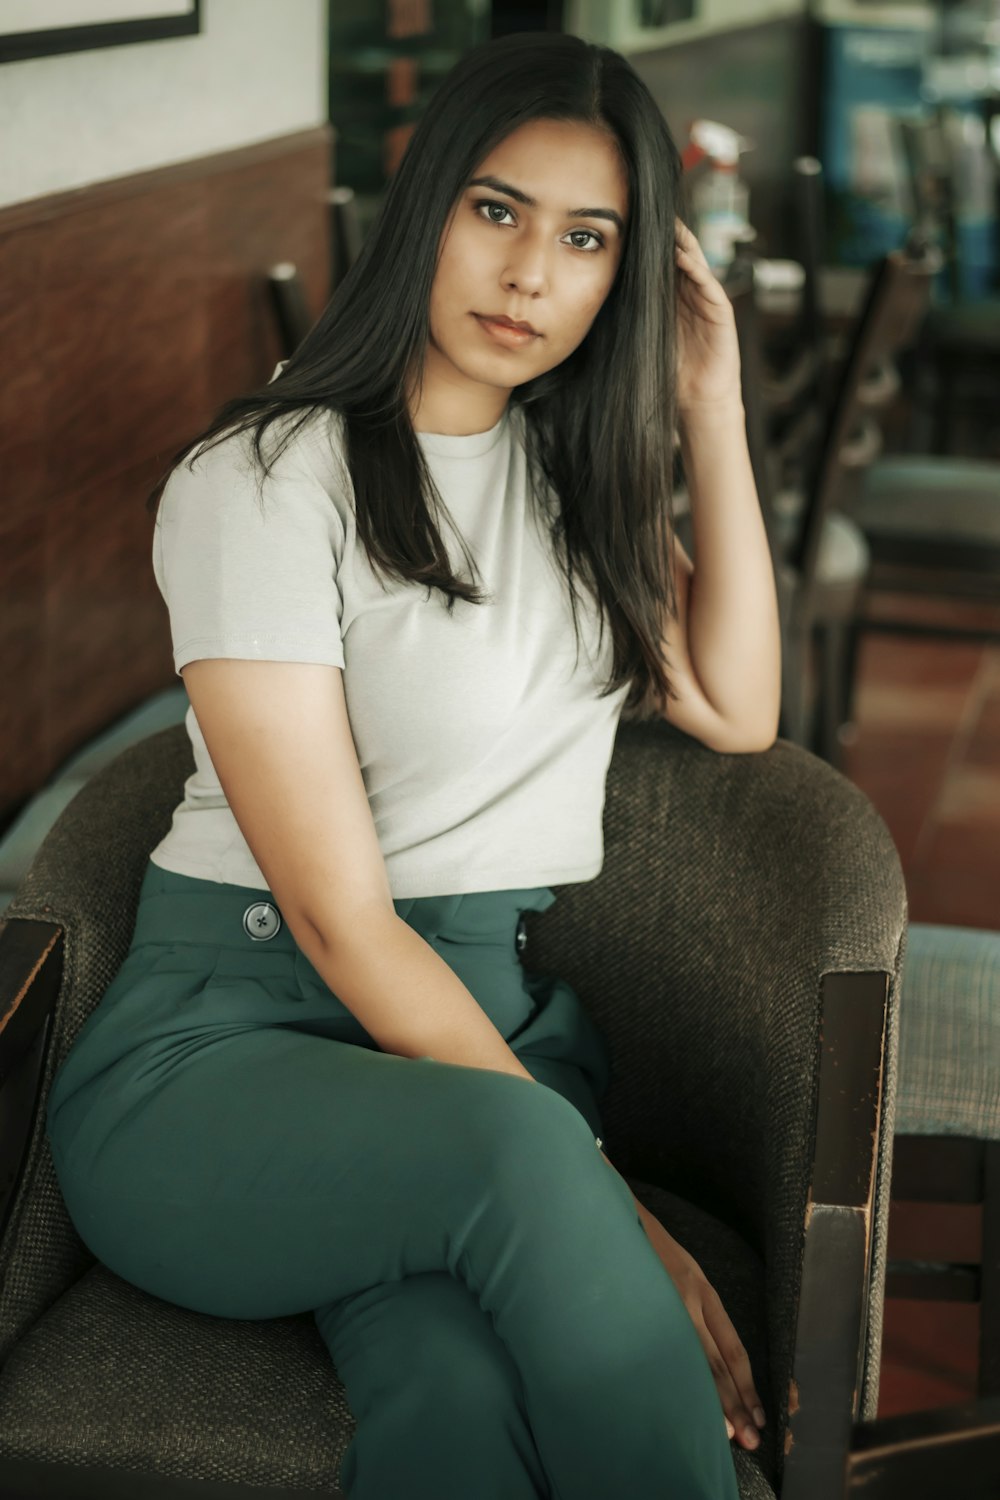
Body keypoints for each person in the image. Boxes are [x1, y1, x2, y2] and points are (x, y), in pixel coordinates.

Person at [45, 28, 780, 1500]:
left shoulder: (577, 486)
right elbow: (335, 918)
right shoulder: (263, 482)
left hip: (473, 1044)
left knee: (450, 1403)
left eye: (587, 240)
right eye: (497, 211)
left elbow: (741, 711)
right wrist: (603, 1207)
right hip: (226, 1054)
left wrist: (711, 405)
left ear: (621, 279)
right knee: (517, 1167)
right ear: (425, 204)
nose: (529, 276)